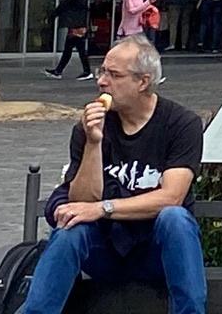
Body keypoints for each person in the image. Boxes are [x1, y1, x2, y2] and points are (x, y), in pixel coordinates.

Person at [21, 38, 206, 314]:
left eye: (114, 75)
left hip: (156, 250)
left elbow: (171, 197)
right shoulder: (88, 127)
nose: (102, 82)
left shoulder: (180, 124)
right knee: (72, 226)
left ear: (142, 82)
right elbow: (82, 201)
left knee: (175, 218)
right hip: (105, 250)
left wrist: (104, 208)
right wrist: (93, 143)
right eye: (102, 71)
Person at [49, 0, 96, 79]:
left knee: (73, 47)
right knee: (72, 47)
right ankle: (59, 70)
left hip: (75, 22)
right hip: (79, 22)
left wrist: (54, 15)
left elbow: (64, 4)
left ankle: (84, 71)